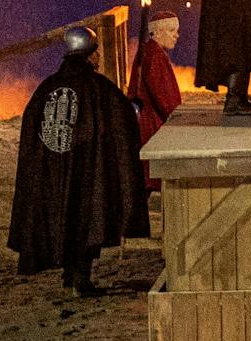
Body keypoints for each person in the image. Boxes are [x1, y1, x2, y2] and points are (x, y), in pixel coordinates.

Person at [8, 26, 149, 297]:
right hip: (86, 168)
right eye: (96, 54)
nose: (98, 59)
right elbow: (121, 117)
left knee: (65, 217)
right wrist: (135, 108)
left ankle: (71, 274)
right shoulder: (98, 88)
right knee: (84, 219)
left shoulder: (46, 88)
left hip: (54, 169)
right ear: (89, 54)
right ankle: (79, 277)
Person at [128, 9, 182, 191]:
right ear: (158, 32)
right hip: (152, 124)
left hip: (146, 121)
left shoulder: (149, 52)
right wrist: (177, 118)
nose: (177, 35)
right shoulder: (155, 56)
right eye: (172, 30)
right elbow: (164, 95)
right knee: (152, 178)